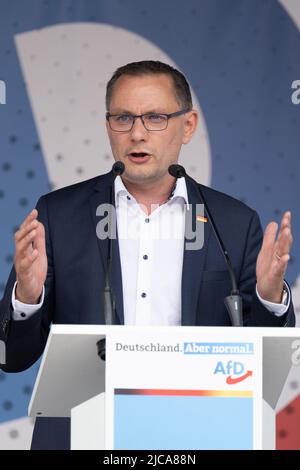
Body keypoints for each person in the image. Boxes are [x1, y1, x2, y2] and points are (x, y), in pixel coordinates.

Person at [0, 60, 295, 449]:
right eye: (123, 117)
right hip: (82, 434)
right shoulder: (58, 215)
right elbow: (13, 357)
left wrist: (269, 298)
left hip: (198, 432)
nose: (137, 133)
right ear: (108, 125)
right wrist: (27, 298)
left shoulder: (233, 224)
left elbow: (264, 362)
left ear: (187, 125)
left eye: (155, 117)